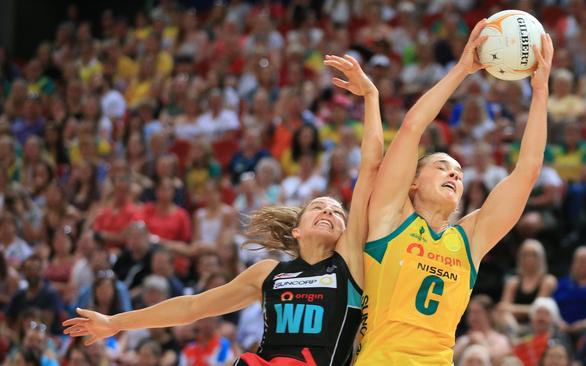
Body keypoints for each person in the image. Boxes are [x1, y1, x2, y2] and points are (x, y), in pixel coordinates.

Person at [62, 54, 383, 366]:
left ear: (345, 232)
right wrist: (116, 322)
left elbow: (369, 168)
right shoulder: (269, 273)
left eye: (338, 212)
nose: (329, 212)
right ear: (296, 229)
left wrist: (370, 95)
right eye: (318, 207)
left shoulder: (348, 264)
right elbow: (193, 307)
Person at [355, 18, 554, 364]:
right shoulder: (390, 217)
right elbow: (412, 128)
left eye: (459, 173)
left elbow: (527, 172)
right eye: (442, 166)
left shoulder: (469, 239)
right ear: (413, 182)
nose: (454, 174)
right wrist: (462, 69)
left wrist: (540, 92)